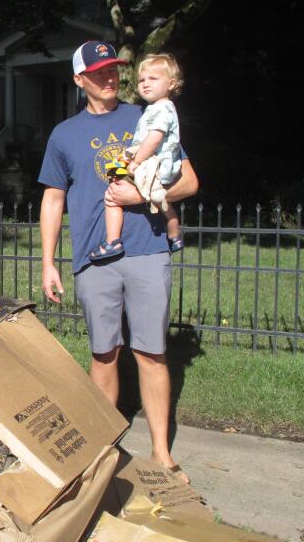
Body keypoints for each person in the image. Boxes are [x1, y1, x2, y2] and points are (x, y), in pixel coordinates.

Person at [38, 40, 199, 483]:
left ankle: (162, 455)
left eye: (113, 69)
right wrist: (48, 263)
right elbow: (53, 199)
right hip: (94, 258)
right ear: (79, 80)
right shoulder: (63, 135)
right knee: (104, 354)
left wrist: (142, 192)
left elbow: (189, 181)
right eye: (98, 71)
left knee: (152, 353)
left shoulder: (147, 115)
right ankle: (101, 452)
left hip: (147, 251)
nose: (109, 77)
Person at [90, 53, 185, 261]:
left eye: (153, 79)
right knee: (158, 198)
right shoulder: (156, 108)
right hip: (147, 156)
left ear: (171, 83)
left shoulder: (162, 109)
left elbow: (153, 139)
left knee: (112, 197)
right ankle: (175, 234)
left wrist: (136, 162)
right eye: (142, 80)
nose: (145, 84)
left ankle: (112, 241)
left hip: (152, 161)